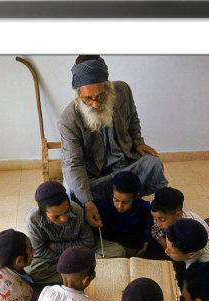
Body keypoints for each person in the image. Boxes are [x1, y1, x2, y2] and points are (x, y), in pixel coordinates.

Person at [58, 55, 168, 228]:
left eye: (100, 96)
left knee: (153, 163)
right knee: (73, 190)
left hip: (124, 164)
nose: (95, 104)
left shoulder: (123, 90)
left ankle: (133, 204)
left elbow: (132, 118)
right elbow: (73, 164)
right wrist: (87, 202)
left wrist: (138, 141)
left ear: (108, 88)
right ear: (78, 96)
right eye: (88, 99)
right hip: (95, 175)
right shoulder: (68, 120)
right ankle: (103, 207)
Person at [25, 180, 125, 285]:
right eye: (56, 216)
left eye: (66, 211)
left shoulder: (77, 210)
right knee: (32, 273)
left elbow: (88, 242)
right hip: (52, 258)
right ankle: (81, 274)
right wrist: (68, 262)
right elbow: (40, 251)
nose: (64, 219)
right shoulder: (33, 220)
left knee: (118, 251)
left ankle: (69, 277)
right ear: (43, 213)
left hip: (78, 252)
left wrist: (56, 247)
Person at [98, 171, 153, 257]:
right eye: (116, 200)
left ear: (136, 196)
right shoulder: (104, 208)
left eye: (126, 202)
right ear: (112, 193)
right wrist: (125, 249)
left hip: (136, 242)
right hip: (115, 243)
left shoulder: (144, 207)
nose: (120, 206)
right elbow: (104, 232)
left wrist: (145, 245)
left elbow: (148, 226)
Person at [150, 186, 209, 253]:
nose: (158, 224)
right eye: (155, 219)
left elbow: (201, 253)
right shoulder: (165, 216)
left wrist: (173, 253)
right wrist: (165, 245)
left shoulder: (194, 231)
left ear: (178, 215)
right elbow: (156, 231)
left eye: (162, 220)